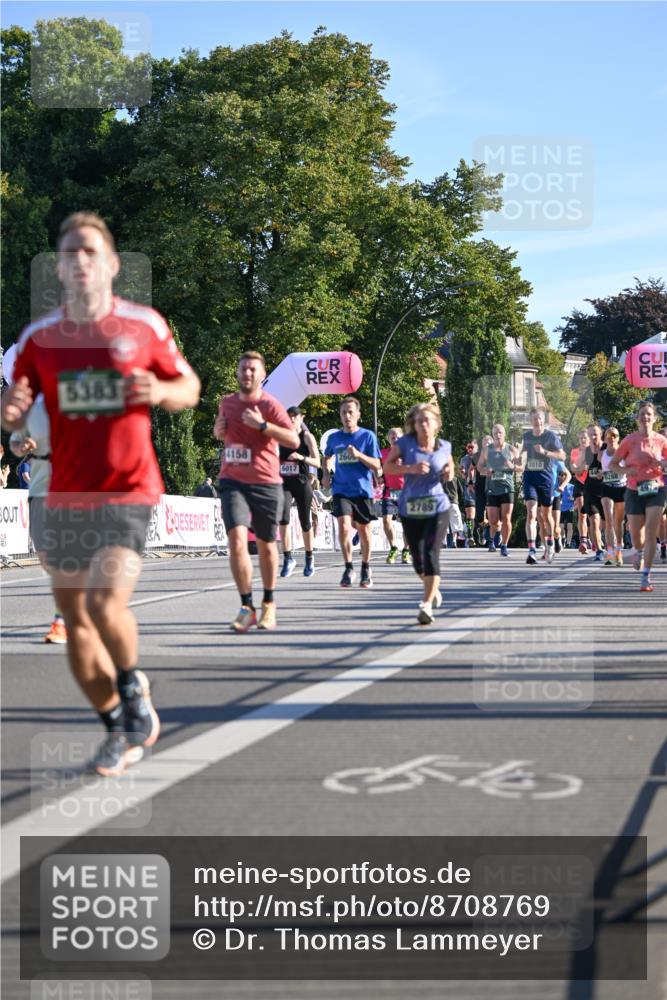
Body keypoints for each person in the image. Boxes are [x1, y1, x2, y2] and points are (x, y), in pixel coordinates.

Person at [1, 211, 201, 777]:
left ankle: (134, 688)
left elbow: (189, 387)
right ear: (59, 270)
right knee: (75, 620)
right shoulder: (38, 340)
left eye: (90, 250)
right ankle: (118, 723)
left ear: (111, 263)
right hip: (65, 492)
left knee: (102, 602)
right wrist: (11, 412)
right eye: (69, 254)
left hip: (128, 490)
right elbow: (15, 403)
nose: (80, 261)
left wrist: (160, 388)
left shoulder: (143, 326)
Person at [214, 352, 299, 630]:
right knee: (237, 541)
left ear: (262, 375)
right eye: (243, 369)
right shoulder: (226, 403)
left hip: (265, 481)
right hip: (232, 480)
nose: (247, 374)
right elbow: (220, 433)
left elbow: (293, 440)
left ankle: (269, 603)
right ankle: (246, 606)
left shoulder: (270, 405)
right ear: (237, 373)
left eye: (253, 370)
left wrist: (263, 426)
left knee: (265, 545)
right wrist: (218, 430)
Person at [383, 403, 451, 625]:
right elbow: (387, 467)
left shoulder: (444, 446)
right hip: (411, 506)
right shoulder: (405, 444)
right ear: (413, 424)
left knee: (431, 554)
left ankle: (426, 604)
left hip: (438, 506)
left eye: (427, 420)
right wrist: (409, 469)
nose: (423, 424)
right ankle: (432, 589)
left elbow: (449, 467)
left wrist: (449, 472)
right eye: (419, 420)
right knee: (417, 560)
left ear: (436, 423)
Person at [9, 390, 68, 643]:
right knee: (46, 556)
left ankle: (62, 620)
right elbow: (15, 442)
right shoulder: (34, 408)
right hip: (40, 488)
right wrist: (21, 447)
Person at [322, 397, 382, 589]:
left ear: (358, 415)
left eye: (350, 412)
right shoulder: (334, 438)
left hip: (362, 490)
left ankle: (365, 567)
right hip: (341, 489)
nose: (347, 416)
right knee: (344, 526)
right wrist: (325, 474)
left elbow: (377, 465)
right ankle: (348, 567)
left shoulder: (367, 437)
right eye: (343, 413)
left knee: (364, 530)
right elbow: (327, 457)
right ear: (340, 416)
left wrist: (359, 455)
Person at [608, 402, 667, 592]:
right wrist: (627, 470)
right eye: (642, 414)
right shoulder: (629, 440)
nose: (645, 417)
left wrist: (662, 463)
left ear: (654, 418)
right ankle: (639, 551)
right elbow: (613, 464)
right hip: (634, 490)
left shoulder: (661, 440)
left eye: (649, 414)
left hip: (656, 489)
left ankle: (646, 575)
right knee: (636, 534)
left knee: (651, 530)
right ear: (637, 418)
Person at [516, 408, 566, 565]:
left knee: (546, 516)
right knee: (531, 513)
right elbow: (521, 453)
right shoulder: (527, 436)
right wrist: (518, 457)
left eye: (539, 419)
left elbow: (562, 455)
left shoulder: (551, 436)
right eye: (534, 419)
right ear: (530, 421)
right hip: (530, 476)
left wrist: (545, 452)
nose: (537, 421)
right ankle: (531, 550)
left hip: (546, 479)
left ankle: (550, 543)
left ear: (543, 420)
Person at [278, 406, 321, 578]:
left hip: (301, 482)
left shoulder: (307, 437)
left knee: (305, 521)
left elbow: (317, 462)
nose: (291, 418)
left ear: (302, 417)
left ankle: (309, 557)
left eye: (295, 416)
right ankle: (288, 558)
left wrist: (301, 457)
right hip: (284, 482)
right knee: (283, 519)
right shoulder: (280, 436)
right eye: (288, 416)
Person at [477, 424, 517, 557]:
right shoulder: (487, 450)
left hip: (507, 488)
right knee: (493, 521)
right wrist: (485, 471)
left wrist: (511, 465)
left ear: (504, 434)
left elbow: (522, 466)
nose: (497, 435)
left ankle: (504, 545)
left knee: (506, 518)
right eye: (495, 433)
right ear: (492, 434)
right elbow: (479, 467)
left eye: (500, 432)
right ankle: (494, 539)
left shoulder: (511, 449)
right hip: (492, 488)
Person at [574, 424, 605, 562]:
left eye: (595, 434)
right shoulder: (585, 451)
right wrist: (577, 468)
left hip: (606, 489)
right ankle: (598, 550)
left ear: (601, 434)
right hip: (590, 489)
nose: (592, 437)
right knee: (594, 520)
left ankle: (611, 544)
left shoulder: (607, 448)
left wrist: (604, 471)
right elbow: (578, 470)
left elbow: (617, 465)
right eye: (590, 434)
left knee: (607, 522)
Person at [380, 428, 410, 565]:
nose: (395, 439)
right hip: (389, 492)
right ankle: (393, 547)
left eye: (397, 437)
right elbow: (378, 469)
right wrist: (378, 477)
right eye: (392, 437)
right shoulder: (383, 453)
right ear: (388, 439)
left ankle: (406, 551)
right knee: (386, 520)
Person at [599, 426, 626, 567]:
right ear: (605, 438)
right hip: (607, 488)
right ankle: (609, 554)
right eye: (608, 435)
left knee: (618, 522)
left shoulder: (624, 453)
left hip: (621, 488)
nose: (611, 438)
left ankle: (619, 550)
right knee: (609, 519)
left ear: (618, 438)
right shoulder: (601, 454)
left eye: (614, 435)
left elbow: (628, 468)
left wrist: (621, 471)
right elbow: (602, 471)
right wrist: (601, 474)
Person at [570, 429, 590, 552]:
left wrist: (581, 468)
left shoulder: (594, 451)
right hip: (580, 483)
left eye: (585, 438)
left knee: (593, 515)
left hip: (593, 484)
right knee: (582, 514)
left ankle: (593, 537)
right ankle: (583, 541)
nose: (582, 440)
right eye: (580, 438)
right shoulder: (574, 451)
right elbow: (574, 468)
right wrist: (579, 468)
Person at [549, 459, 572, 556]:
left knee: (556, 526)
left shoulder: (555, 460)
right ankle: (548, 547)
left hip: (555, 495)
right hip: (542, 494)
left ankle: (558, 539)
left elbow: (569, 475)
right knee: (544, 522)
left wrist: (562, 486)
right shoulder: (535, 458)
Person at [459, 440, 478, 546]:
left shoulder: (481, 457)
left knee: (480, 516)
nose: (470, 449)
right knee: (470, 514)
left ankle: (480, 530)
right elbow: (462, 472)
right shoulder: (464, 459)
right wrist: (462, 473)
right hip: (468, 488)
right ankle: (471, 536)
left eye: (472, 447)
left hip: (480, 488)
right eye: (468, 447)